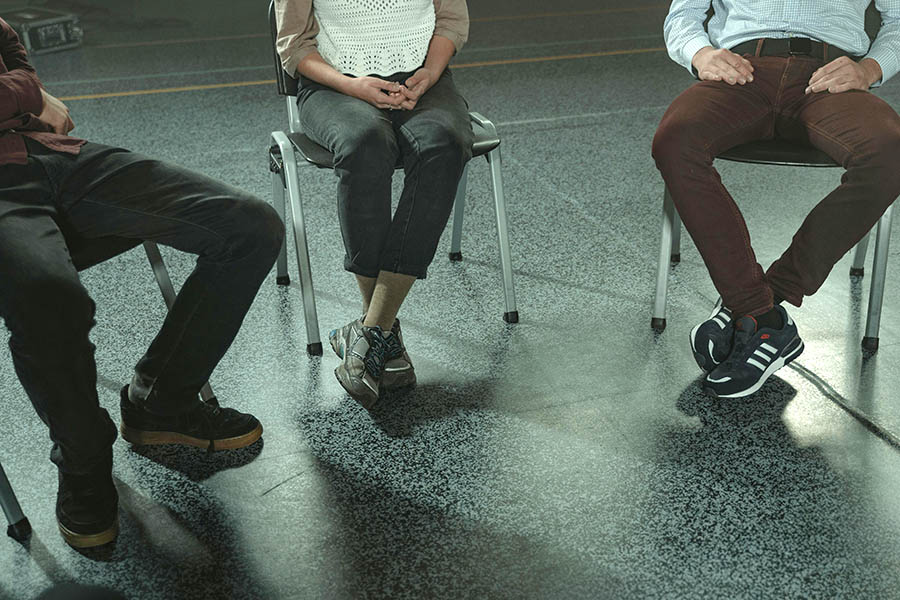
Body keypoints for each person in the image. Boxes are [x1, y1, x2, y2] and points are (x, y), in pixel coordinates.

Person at [0, 18, 284, 548]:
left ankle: (160, 401)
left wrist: (25, 93)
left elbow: (16, 57)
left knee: (249, 225)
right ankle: (84, 462)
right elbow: (26, 84)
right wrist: (26, 94)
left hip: (49, 154)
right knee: (47, 295)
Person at [652, 0, 900, 398]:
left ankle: (756, 300)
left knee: (891, 153)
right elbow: (683, 15)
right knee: (675, 141)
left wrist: (869, 68)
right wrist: (701, 53)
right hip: (741, 71)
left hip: (830, 77)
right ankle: (763, 315)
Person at [275, 0, 474, 409]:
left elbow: (452, 22)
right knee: (365, 144)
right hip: (333, 86)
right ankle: (383, 334)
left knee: (445, 145)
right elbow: (294, 46)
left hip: (423, 79)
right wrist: (352, 85)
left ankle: (371, 330)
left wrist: (430, 73)